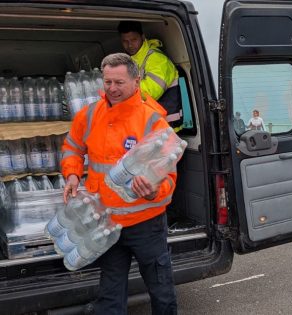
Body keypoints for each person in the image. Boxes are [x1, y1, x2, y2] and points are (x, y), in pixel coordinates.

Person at [61, 53, 177, 314]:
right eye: (107, 82)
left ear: (136, 81)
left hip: (145, 224)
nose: (112, 88)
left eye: (119, 82)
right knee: (110, 294)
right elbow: (72, 147)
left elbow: (169, 176)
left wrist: (155, 191)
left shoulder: (153, 120)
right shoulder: (89, 115)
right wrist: (72, 174)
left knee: (161, 290)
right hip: (106, 221)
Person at [118, 21, 182, 126]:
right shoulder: (130, 60)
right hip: (148, 125)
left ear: (142, 37)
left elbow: (151, 92)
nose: (129, 45)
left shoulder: (157, 59)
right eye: (125, 41)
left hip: (165, 127)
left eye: (134, 40)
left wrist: (121, 88)